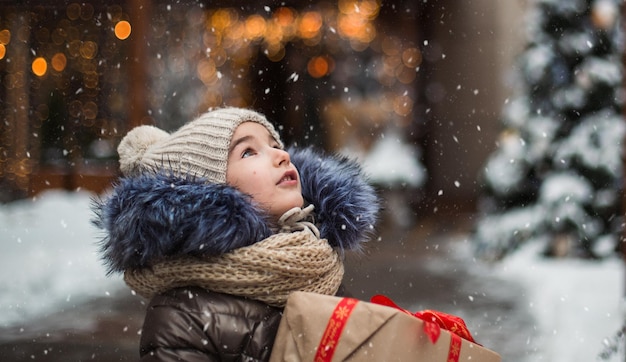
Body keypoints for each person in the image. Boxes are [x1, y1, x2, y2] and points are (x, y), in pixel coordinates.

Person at [92, 107, 379, 361]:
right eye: (248, 152)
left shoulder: (317, 270)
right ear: (211, 189)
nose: (282, 155)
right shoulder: (184, 314)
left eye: (274, 145)